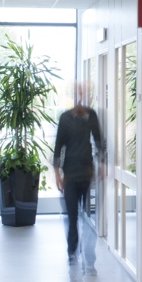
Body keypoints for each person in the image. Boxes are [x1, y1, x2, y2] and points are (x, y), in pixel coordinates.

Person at [52, 84, 106, 271]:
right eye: (78, 94)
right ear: (74, 96)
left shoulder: (91, 116)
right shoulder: (65, 118)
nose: (81, 97)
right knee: (72, 216)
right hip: (70, 175)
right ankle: (72, 250)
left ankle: (89, 257)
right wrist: (57, 173)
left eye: (83, 93)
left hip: (86, 173)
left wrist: (102, 164)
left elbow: (98, 141)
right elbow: (58, 146)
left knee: (88, 218)